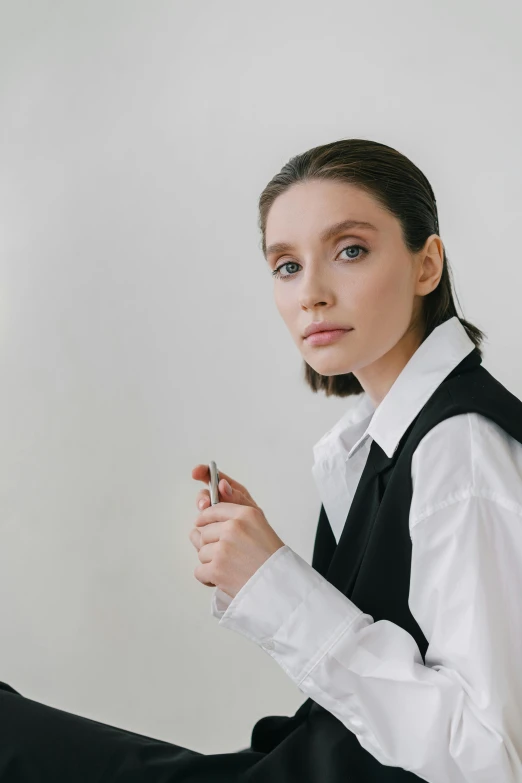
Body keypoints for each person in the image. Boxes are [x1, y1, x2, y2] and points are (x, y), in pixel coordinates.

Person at [1, 138, 521, 782]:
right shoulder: (376, 444)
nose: (312, 294)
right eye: (286, 266)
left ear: (427, 265)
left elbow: (490, 756)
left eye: (350, 251)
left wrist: (277, 586)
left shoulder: (458, 446)